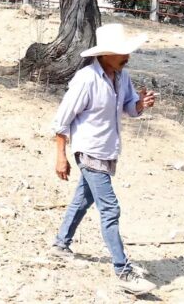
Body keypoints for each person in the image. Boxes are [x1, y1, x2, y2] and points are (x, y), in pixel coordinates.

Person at [49, 23, 158, 295]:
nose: (127, 57)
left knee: (83, 199)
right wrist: (61, 156)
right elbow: (62, 120)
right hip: (89, 151)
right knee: (110, 209)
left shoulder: (122, 76)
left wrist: (141, 104)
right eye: (121, 52)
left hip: (107, 150)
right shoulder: (86, 79)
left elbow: (129, 107)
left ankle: (61, 244)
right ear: (105, 54)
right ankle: (123, 270)